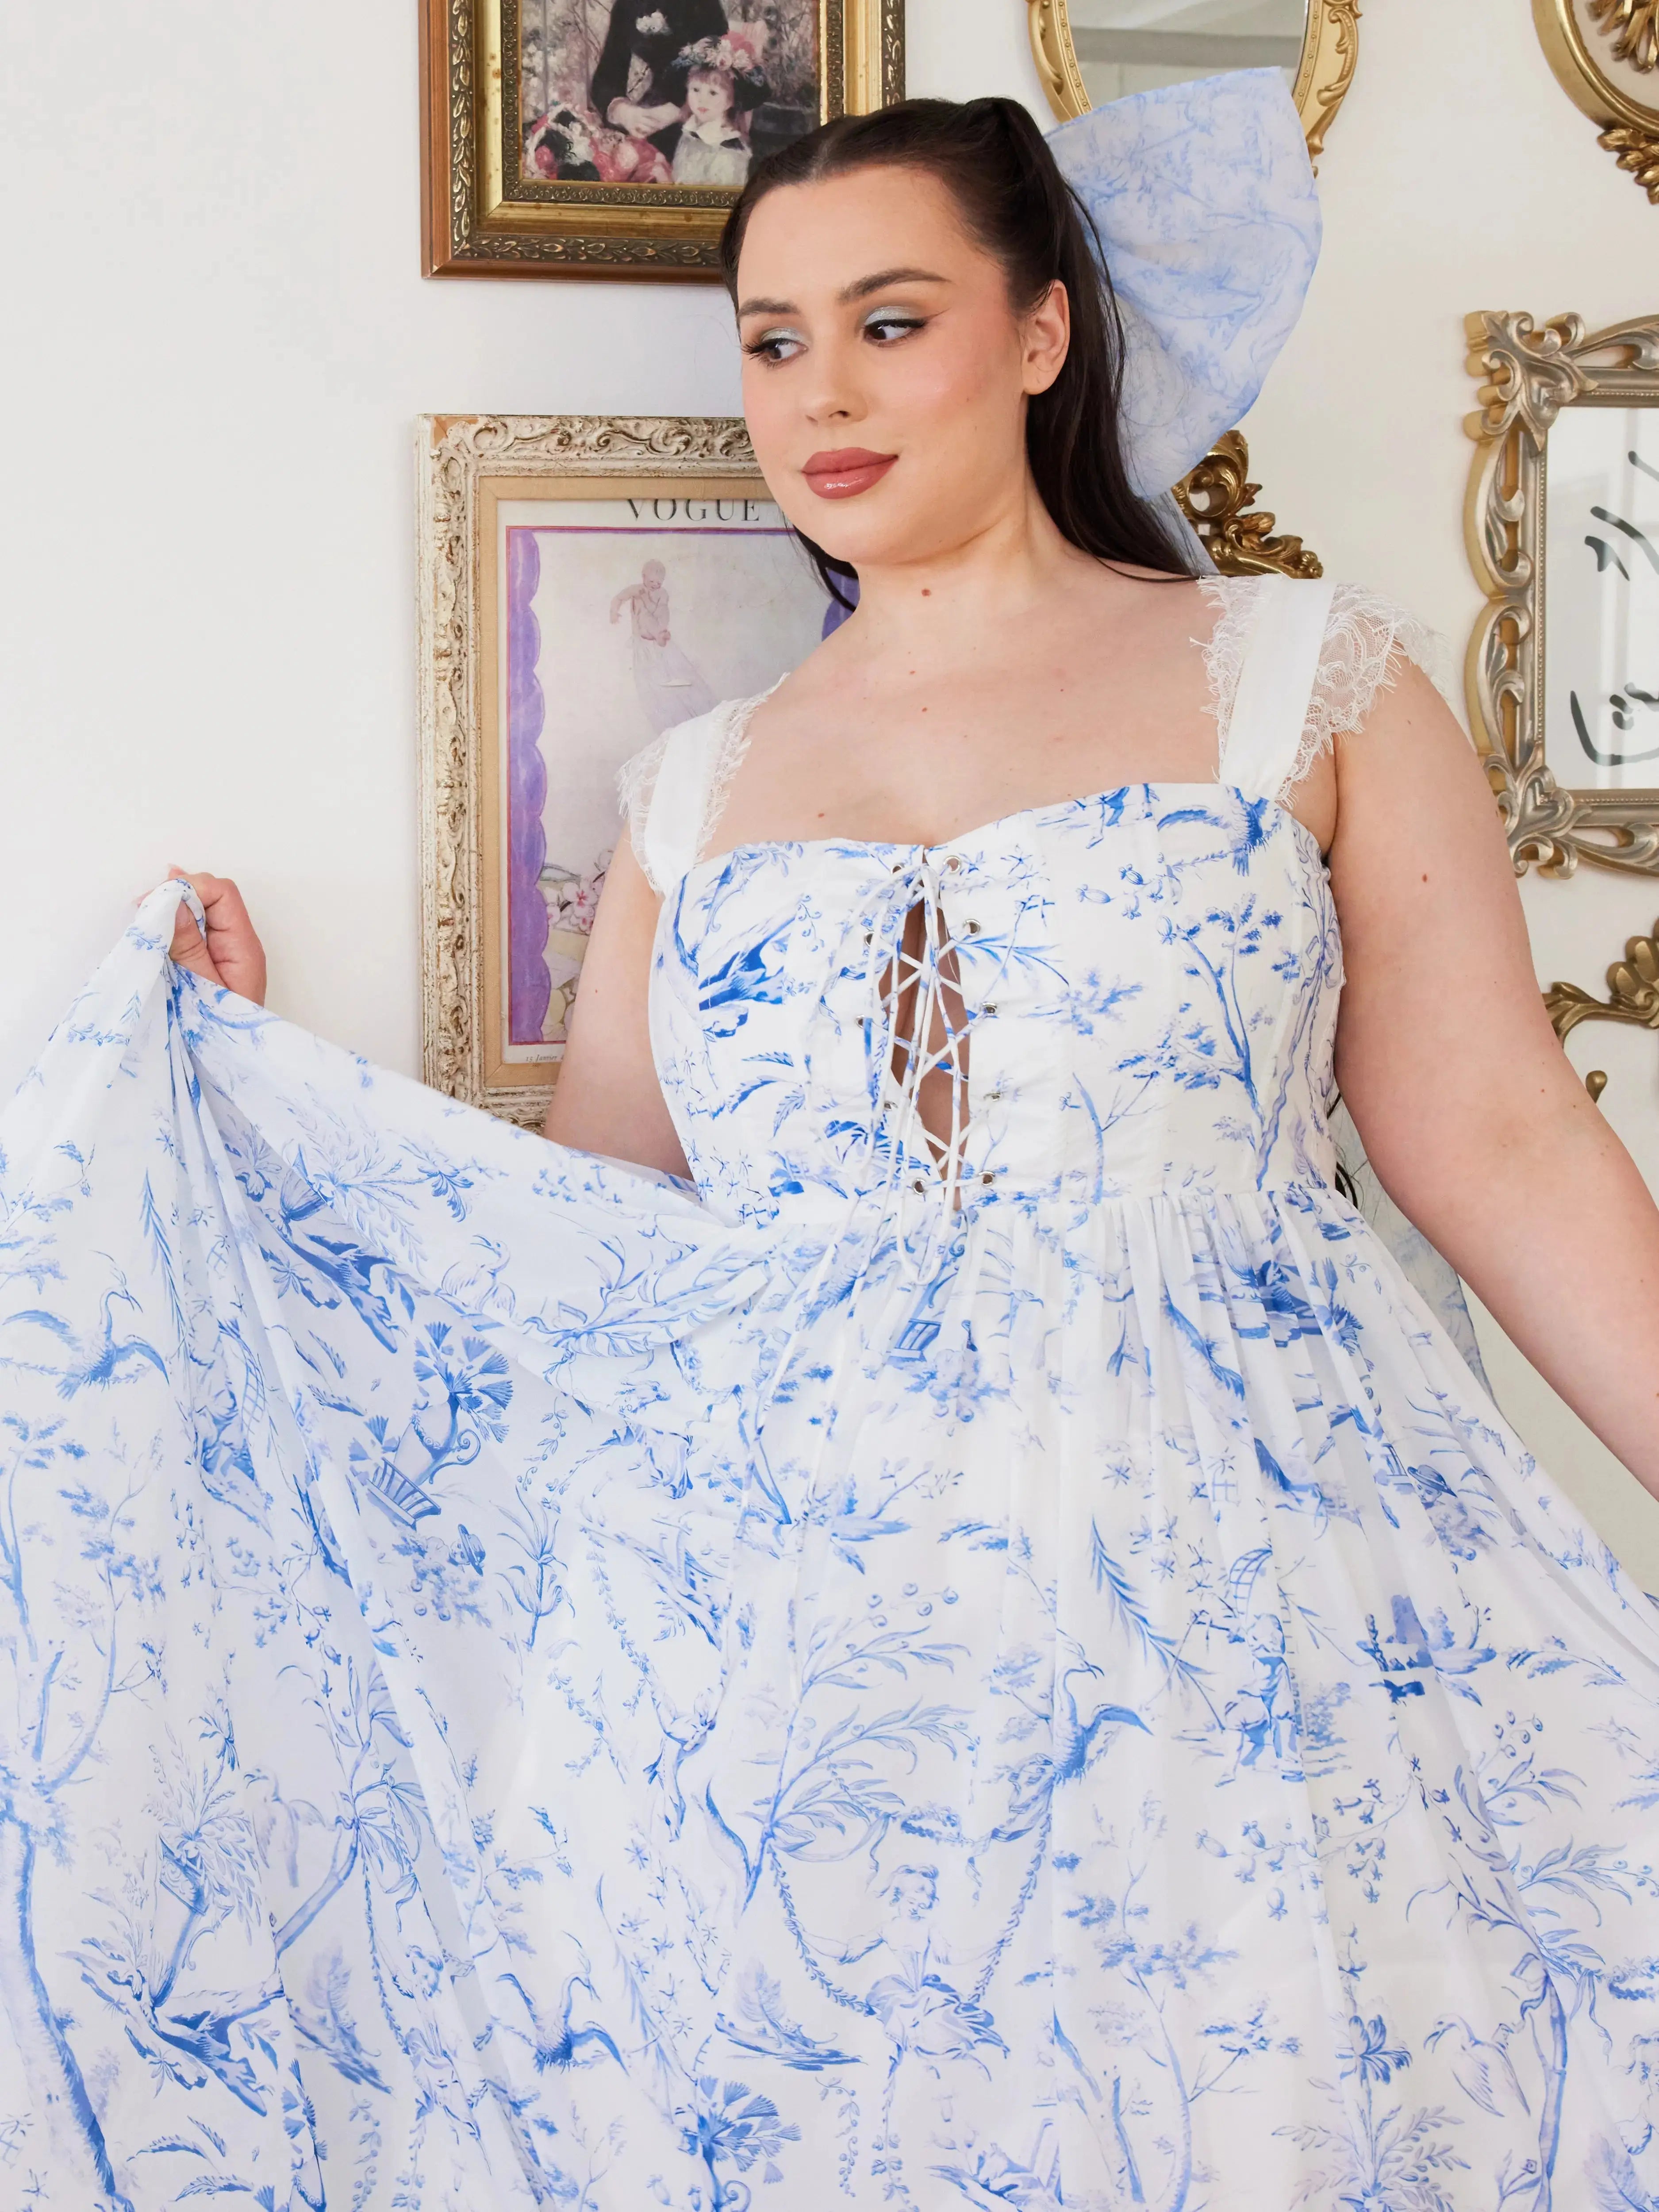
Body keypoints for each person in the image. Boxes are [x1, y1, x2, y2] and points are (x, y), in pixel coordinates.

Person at [10, 75, 1659, 2212]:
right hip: (779, 1669)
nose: (819, 392)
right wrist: (261, 1101)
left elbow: (1508, 1151)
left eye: (888, 320)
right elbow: (597, 1269)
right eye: (771, 338)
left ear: (1041, 330)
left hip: (1238, 1605)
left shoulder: (1300, 682)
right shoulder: (697, 790)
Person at [589, 0, 729, 164]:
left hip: (695, 127)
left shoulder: (705, 5)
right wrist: (623, 112)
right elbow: (606, 77)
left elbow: (723, 78)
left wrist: (681, 111)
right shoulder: (627, 5)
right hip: (642, 123)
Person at [610, 556, 718, 730]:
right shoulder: (637, 591)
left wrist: (661, 629)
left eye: (659, 582)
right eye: (652, 581)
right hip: (643, 643)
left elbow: (663, 613)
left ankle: (660, 634)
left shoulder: (662, 594)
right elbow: (619, 598)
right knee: (652, 684)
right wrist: (614, 612)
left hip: (657, 637)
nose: (655, 585)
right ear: (643, 577)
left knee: (677, 673)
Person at [669, 37, 764, 187]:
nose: (702, 100)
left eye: (713, 93)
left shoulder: (729, 150)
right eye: (696, 90)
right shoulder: (690, 132)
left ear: (731, 101)